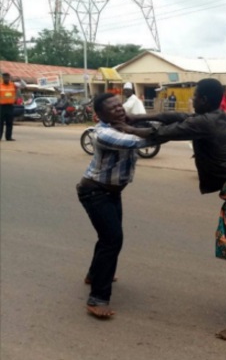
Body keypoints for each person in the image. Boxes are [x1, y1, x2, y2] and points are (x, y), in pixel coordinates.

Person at [113, 78, 226, 340]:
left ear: (206, 100)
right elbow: (172, 116)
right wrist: (136, 118)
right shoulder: (216, 115)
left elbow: (162, 133)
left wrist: (126, 127)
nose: (193, 100)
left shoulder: (205, 121)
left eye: (196, 96)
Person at [76, 93, 152, 319]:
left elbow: (150, 124)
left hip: (110, 192)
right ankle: (97, 298)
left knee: (108, 238)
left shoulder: (124, 125)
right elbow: (142, 141)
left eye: (120, 106)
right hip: (95, 192)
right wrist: (182, 130)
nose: (119, 110)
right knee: (112, 240)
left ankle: (94, 274)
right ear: (100, 115)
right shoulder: (103, 133)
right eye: (113, 108)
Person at [0, 72, 17, 141]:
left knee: (9, 122)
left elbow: (23, 85)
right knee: (0, 123)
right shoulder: (0, 85)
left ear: (9, 78)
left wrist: (18, 80)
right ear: (2, 78)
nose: (6, 79)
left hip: (10, 106)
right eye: (5, 77)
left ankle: (8, 137)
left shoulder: (13, 85)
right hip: (1, 107)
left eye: (8, 77)